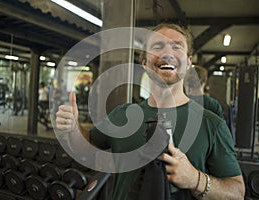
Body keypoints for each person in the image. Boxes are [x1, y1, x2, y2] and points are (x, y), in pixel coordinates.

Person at [56, 23, 245, 200]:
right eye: (158, 46)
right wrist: (73, 128)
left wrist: (195, 180)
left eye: (177, 46)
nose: (167, 53)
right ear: (145, 62)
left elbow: (237, 192)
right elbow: (86, 147)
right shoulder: (122, 115)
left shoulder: (211, 124)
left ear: (188, 63)